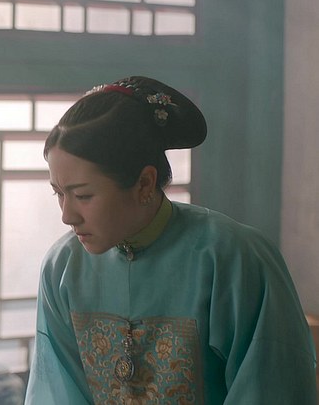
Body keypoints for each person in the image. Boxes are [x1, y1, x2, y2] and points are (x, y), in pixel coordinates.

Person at [25, 76, 317, 404]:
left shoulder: (232, 258)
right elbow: (57, 392)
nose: (67, 215)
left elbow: (272, 388)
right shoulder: (62, 268)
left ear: (144, 183)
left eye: (83, 195)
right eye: (58, 193)